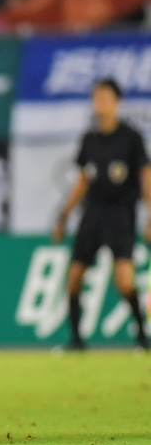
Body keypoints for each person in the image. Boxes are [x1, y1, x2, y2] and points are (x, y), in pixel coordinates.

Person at [53, 79, 151, 350]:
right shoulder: (90, 139)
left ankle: (142, 336)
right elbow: (82, 182)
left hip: (121, 213)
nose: (100, 103)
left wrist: (150, 217)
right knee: (74, 276)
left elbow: (146, 177)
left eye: (105, 98)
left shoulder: (131, 138)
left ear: (117, 102)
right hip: (93, 212)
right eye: (96, 98)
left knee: (124, 280)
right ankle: (76, 339)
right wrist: (63, 216)